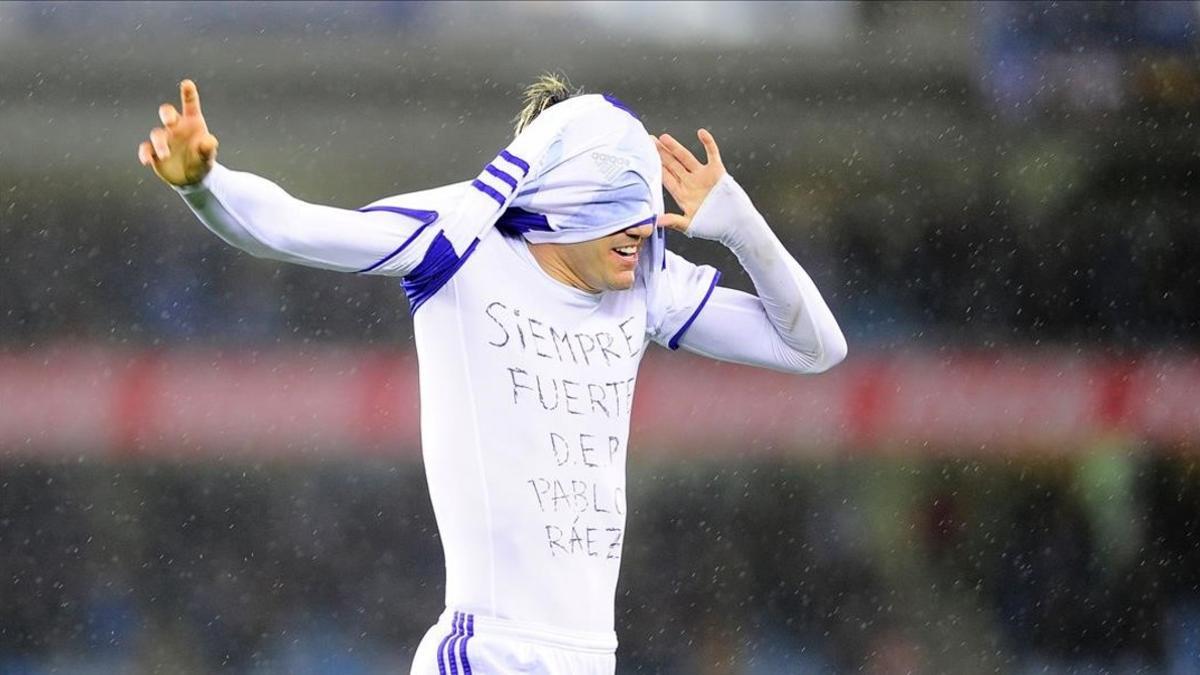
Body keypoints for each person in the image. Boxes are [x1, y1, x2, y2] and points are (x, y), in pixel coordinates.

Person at [138, 75, 847, 675]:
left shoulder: (646, 280)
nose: (642, 221)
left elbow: (814, 347)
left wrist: (739, 223)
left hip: (592, 657)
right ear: (560, 190)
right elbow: (291, 227)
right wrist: (204, 184)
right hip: (489, 654)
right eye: (612, 192)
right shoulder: (460, 245)